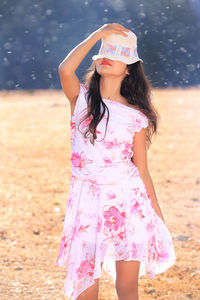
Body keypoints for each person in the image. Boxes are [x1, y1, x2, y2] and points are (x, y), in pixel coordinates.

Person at [56, 23, 176, 300]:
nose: (106, 58)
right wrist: (96, 34)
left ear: (129, 68)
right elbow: (65, 69)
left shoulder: (136, 115)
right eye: (102, 54)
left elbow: (142, 171)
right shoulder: (82, 100)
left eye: (117, 55)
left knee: (126, 287)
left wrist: (158, 218)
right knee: (84, 287)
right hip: (87, 201)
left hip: (129, 202)